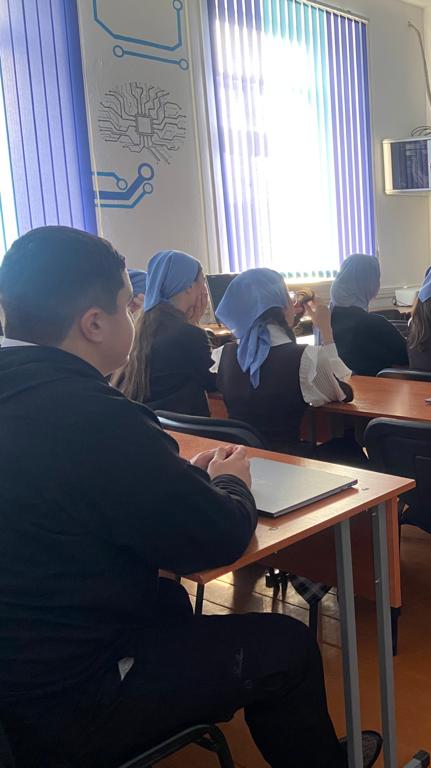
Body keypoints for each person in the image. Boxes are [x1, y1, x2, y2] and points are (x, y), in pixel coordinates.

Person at [0, 226, 381, 768]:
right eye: (127, 306)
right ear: (93, 323)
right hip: (69, 699)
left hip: (21, 668)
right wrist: (231, 484)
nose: (136, 315)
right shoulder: (96, 417)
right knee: (288, 646)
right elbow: (218, 539)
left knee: (171, 601)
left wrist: (179, 482)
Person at [214, 268, 357, 458]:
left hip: (238, 460)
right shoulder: (304, 357)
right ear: (280, 305)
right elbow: (341, 392)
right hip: (286, 463)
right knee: (350, 446)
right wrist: (326, 332)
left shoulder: (223, 355)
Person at [112, 250, 216, 416]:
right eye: (202, 281)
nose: (205, 289)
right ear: (189, 286)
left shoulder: (141, 325)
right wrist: (194, 324)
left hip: (153, 422)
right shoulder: (189, 335)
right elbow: (214, 384)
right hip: (184, 427)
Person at [329, 253, 408, 376]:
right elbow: (408, 356)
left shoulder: (326, 321)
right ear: (371, 285)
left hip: (344, 385)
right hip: (379, 385)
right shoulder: (374, 324)